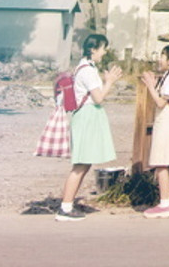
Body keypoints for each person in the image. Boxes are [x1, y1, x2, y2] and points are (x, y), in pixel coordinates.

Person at [57, 34, 123, 221]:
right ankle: (65, 208)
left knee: (84, 164)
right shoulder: (88, 71)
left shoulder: (85, 67)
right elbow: (99, 98)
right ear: (93, 49)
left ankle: (67, 205)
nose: (104, 52)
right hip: (87, 117)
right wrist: (110, 81)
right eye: (103, 48)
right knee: (80, 165)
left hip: (86, 117)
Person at [138, 45, 169, 219]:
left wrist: (151, 86)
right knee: (160, 161)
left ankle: (166, 202)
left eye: (163, 56)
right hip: (164, 121)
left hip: (167, 121)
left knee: (162, 161)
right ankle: (164, 200)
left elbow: (160, 102)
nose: (160, 59)